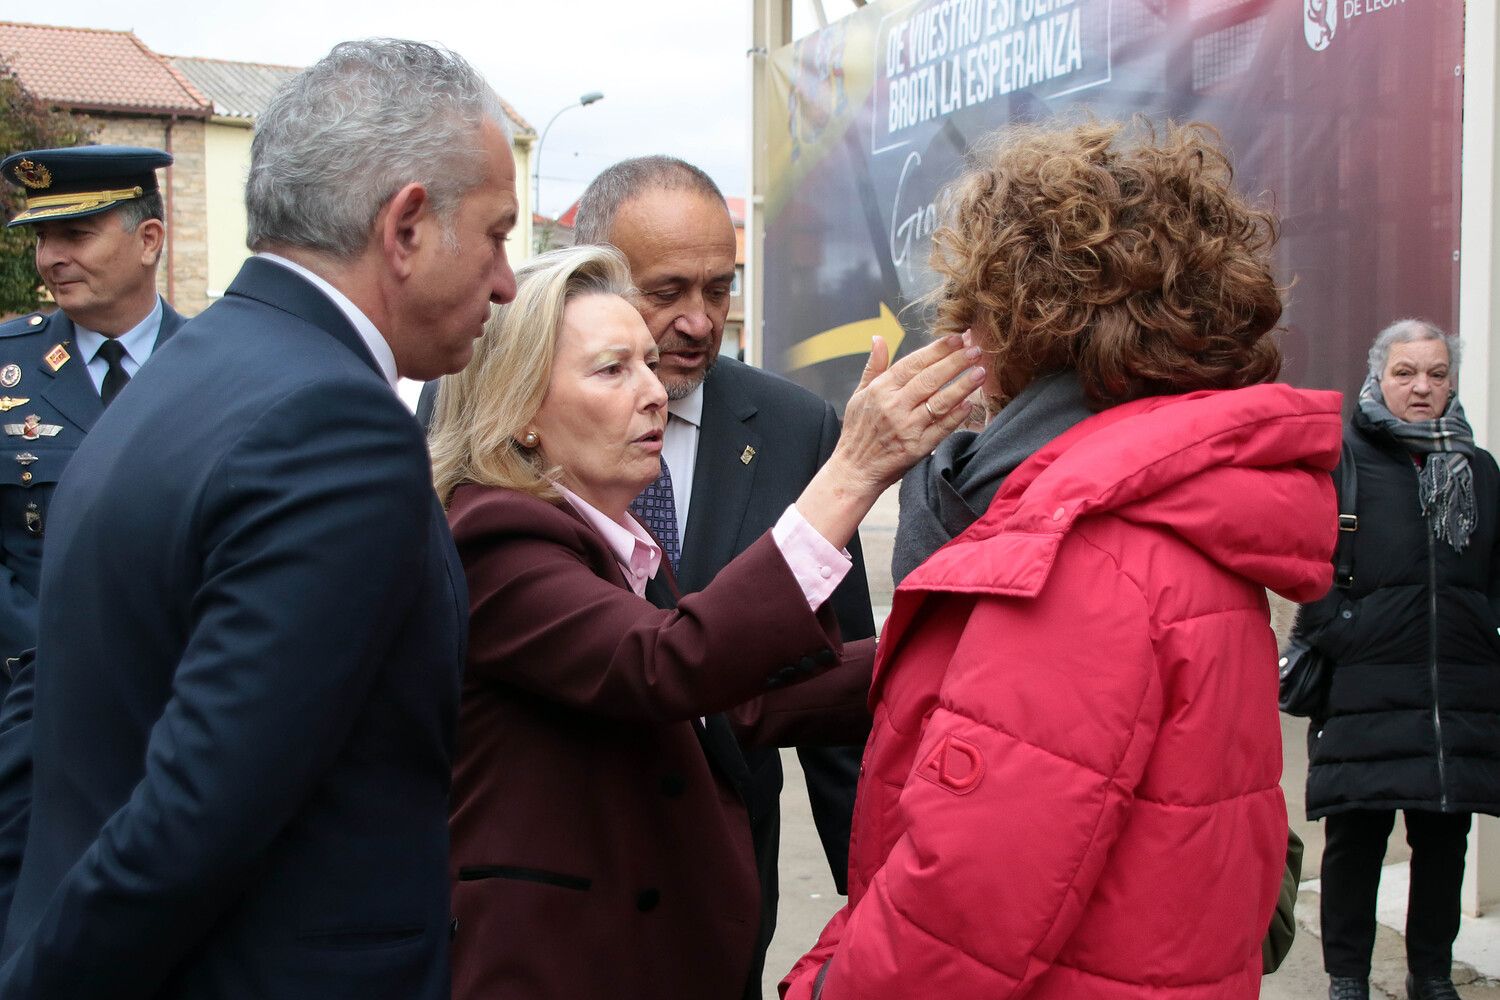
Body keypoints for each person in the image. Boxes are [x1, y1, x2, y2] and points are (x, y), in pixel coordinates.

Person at [0, 39, 517, 999]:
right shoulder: (338, 423)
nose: (505, 282)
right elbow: (198, 813)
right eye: (494, 234)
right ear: (406, 226)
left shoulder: (193, 375)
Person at [783, 118, 1344, 999]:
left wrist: (821, 984)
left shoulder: (1081, 547)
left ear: (1018, 316)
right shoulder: (1174, 503)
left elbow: (957, 910)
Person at [430, 243, 981, 1000]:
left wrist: (959, 649)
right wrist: (851, 475)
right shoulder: (495, 536)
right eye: (613, 369)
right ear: (521, 409)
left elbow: (729, 706)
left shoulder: (612, 536)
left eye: (649, 365)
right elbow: (665, 665)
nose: (656, 393)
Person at [1294, 319, 1499, 1000]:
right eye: (1406, 372)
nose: (1422, 387)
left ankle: (1431, 976)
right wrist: (1343, 631)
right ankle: (1348, 978)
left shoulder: (1477, 467)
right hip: (1365, 682)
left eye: (1436, 374)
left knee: (1444, 841)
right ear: (1379, 375)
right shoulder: (1343, 458)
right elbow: (1307, 560)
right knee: (1357, 841)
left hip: (1457, 687)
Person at [0, 145, 185, 679]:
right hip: (30, 695)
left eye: (76, 235)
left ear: (148, 240)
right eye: (42, 238)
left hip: (178, 687)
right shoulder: (8, 366)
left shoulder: (222, 363)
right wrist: (54, 657)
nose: (51, 257)